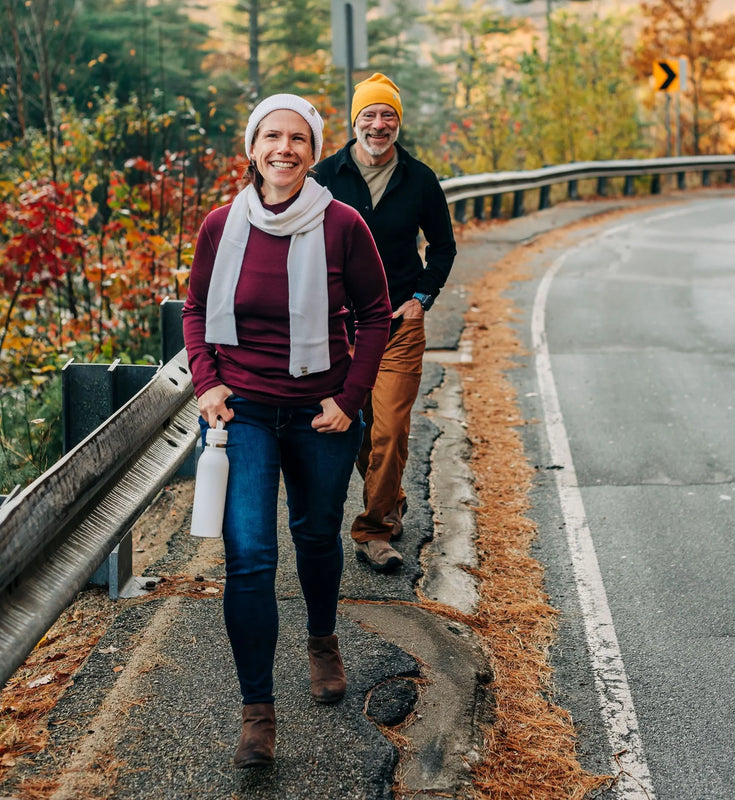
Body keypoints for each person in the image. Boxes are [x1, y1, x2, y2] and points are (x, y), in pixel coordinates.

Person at [182, 94, 391, 768]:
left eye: (297, 138)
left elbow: (376, 315)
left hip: (320, 412)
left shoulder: (342, 225)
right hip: (243, 411)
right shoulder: (220, 225)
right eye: (271, 136)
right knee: (248, 556)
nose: (284, 149)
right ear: (252, 148)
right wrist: (207, 379)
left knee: (315, 532)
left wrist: (349, 398)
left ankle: (322, 638)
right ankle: (257, 713)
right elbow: (194, 307)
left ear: (312, 149)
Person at [313, 73, 457, 572]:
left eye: (388, 115)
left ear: (398, 122)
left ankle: (374, 530)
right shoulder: (323, 177)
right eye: (369, 115)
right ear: (355, 121)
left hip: (397, 324)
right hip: (340, 330)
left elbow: (443, 246)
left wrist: (422, 296)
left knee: (391, 429)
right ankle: (390, 498)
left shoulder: (419, 179)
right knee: (356, 428)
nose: (379, 125)